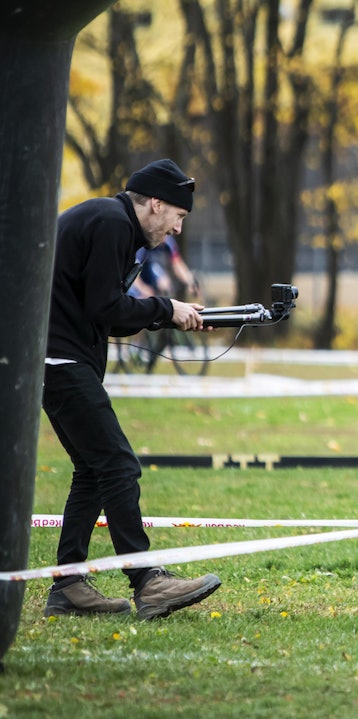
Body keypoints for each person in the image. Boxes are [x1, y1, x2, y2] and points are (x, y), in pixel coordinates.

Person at [43, 158, 222, 619]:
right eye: (179, 217)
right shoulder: (110, 224)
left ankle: (68, 586)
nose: (178, 229)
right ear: (157, 205)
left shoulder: (111, 222)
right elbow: (107, 307)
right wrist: (166, 308)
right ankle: (148, 581)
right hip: (59, 361)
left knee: (93, 468)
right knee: (119, 464)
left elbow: (102, 308)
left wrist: (168, 310)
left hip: (57, 359)